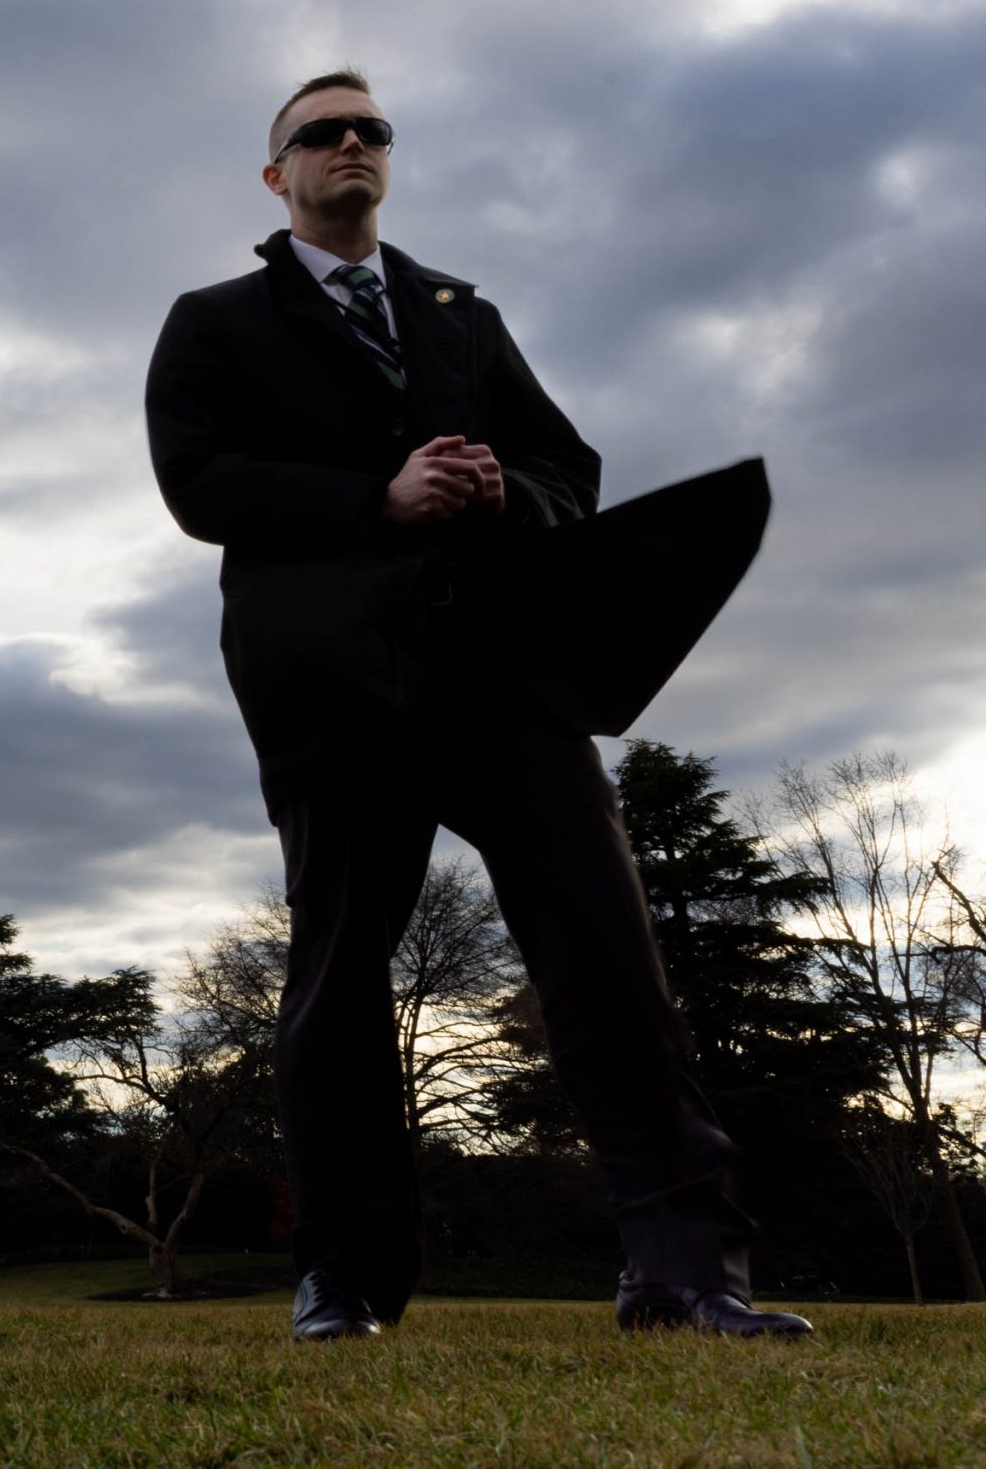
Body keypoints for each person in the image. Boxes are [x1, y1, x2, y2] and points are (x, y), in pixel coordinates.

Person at [143, 69, 810, 1342]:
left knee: (607, 955)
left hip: (504, 674)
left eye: (371, 130)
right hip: (335, 685)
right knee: (339, 975)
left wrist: (512, 492)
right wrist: (372, 500)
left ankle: (682, 1270)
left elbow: (572, 465)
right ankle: (342, 1277)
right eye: (320, 132)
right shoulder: (213, 318)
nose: (351, 142)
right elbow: (197, 481)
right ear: (274, 174)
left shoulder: (462, 314)